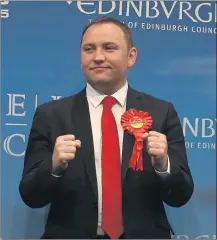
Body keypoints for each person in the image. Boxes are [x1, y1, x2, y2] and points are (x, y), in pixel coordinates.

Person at [19, 16, 194, 239]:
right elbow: (31, 196)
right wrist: (53, 167)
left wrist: (163, 165)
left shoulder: (161, 113)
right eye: (89, 49)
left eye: (109, 48)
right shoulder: (51, 115)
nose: (98, 57)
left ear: (131, 56)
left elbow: (181, 195)